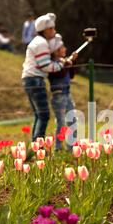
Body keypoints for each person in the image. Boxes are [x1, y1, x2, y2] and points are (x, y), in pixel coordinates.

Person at [22, 13, 76, 142]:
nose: (54, 31)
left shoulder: (38, 42)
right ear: (44, 30)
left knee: (39, 115)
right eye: (51, 29)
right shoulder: (41, 43)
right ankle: (38, 144)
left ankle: (35, 144)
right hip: (35, 80)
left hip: (30, 79)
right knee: (44, 115)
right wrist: (62, 63)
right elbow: (45, 66)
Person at [48, 34, 78, 151]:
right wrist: (66, 64)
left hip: (67, 94)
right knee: (61, 122)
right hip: (58, 95)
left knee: (72, 120)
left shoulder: (63, 62)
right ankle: (58, 148)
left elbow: (71, 75)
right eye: (62, 47)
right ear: (56, 51)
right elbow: (59, 73)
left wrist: (72, 63)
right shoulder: (52, 64)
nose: (65, 49)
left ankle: (71, 148)